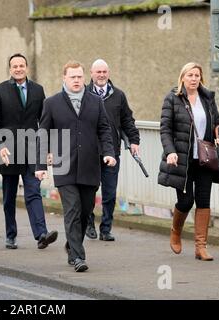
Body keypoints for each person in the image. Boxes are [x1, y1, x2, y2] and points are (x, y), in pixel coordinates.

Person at [35, 61, 116, 272]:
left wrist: (108, 153)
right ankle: (79, 257)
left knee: (85, 211)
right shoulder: (52, 103)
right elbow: (43, 135)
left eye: (80, 76)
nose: (77, 80)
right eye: (73, 77)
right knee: (72, 210)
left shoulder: (96, 101)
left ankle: (72, 245)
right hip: (64, 166)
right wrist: (40, 164)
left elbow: (104, 130)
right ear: (64, 78)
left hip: (90, 166)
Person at [0, 53, 58, 250]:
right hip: (8, 152)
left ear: (26, 67)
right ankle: (11, 235)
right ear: (10, 69)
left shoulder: (38, 90)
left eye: (21, 65)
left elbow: (45, 122)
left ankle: (41, 234)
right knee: (9, 196)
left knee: (33, 192)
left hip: (32, 150)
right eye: (14, 66)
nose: (18, 69)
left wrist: (48, 149)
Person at [158, 62, 219, 261]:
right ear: (183, 77)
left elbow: (217, 123)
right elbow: (165, 130)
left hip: (204, 159)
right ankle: (176, 231)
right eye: (190, 75)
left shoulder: (207, 98)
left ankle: (200, 247)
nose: (194, 79)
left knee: (204, 200)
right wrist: (170, 151)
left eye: (197, 75)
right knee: (186, 201)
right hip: (183, 159)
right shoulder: (173, 98)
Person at [85, 59, 140, 241]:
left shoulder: (118, 95)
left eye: (104, 72)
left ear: (108, 73)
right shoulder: (83, 94)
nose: (101, 75)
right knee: (88, 192)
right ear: (91, 74)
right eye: (98, 72)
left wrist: (134, 140)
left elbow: (127, 120)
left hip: (112, 151)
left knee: (109, 193)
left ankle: (106, 229)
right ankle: (88, 224)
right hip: (89, 151)